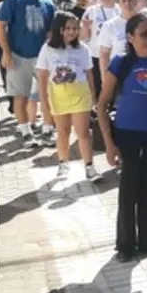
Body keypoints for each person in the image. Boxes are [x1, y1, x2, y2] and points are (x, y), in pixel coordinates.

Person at [96, 12, 147, 262]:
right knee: (129, 185)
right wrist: (110, 145)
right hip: (127, 133)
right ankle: (125, 244)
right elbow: (101, 106)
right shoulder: (120, 63)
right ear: (130, 37)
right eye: (144, 34)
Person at [35, 12, 102, 181]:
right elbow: (42, 76)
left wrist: (93, 97)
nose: (72, 32)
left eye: (75, 28)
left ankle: (89, 167)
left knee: (83, 132)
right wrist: (44, 103)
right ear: (60, 29)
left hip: (80, 94)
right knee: (63, 132)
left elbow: (89, 74)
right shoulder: (48, 48)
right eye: (68, 28)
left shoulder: (82, 49)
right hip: (58, 95)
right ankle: (63, 163)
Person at [0, 0, 57, 147]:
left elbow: (49, 32)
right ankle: (25, 132)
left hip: (42, 58)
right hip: (18, 55)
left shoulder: (48, 3)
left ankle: (47, 130)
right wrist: (6, 52)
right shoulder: (14, 0)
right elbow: (0, 26)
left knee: (47, 95)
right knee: (20, 96)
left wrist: (52, 54)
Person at [81, 0, 122, 100]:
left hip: (116, 56)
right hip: (95, 55)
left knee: (116, 90)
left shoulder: (119, 10)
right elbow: (84, 36)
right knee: (98, 89)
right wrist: (85, 27)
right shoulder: (92, 11)